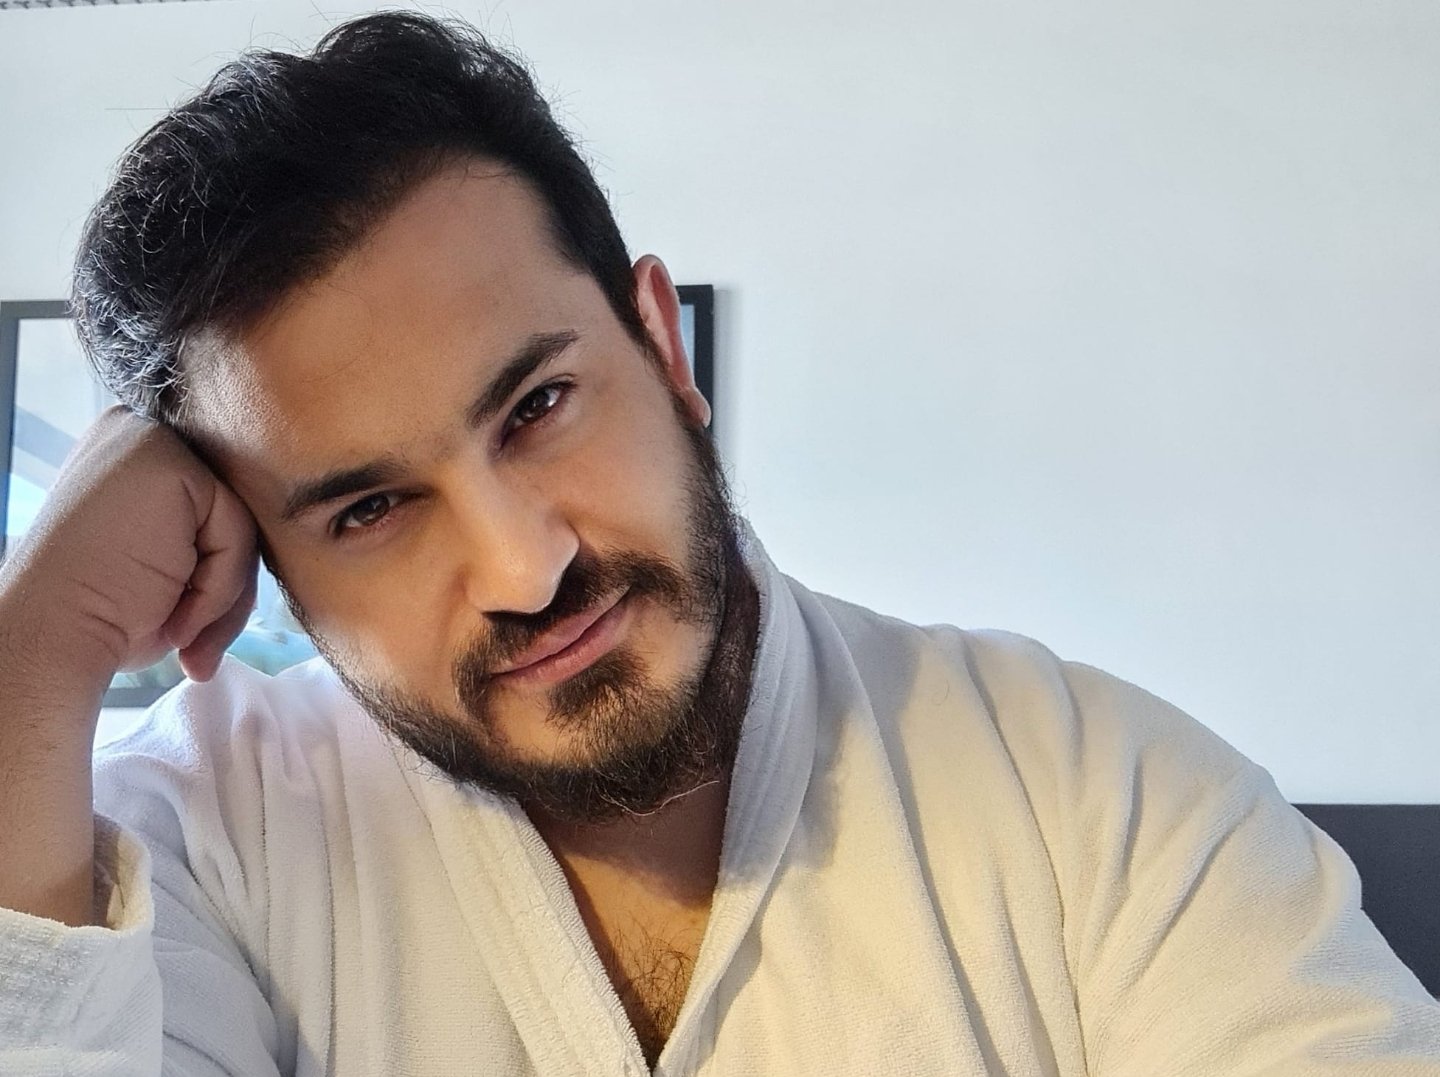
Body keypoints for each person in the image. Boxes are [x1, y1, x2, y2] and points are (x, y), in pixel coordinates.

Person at [0, 12, 1436, 1076]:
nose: (525, 569)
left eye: (539, 405)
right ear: (265, 554)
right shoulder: (199, 840)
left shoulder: (1100, 798)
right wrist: (30, 655)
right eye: (369, 509)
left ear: (661, 343)